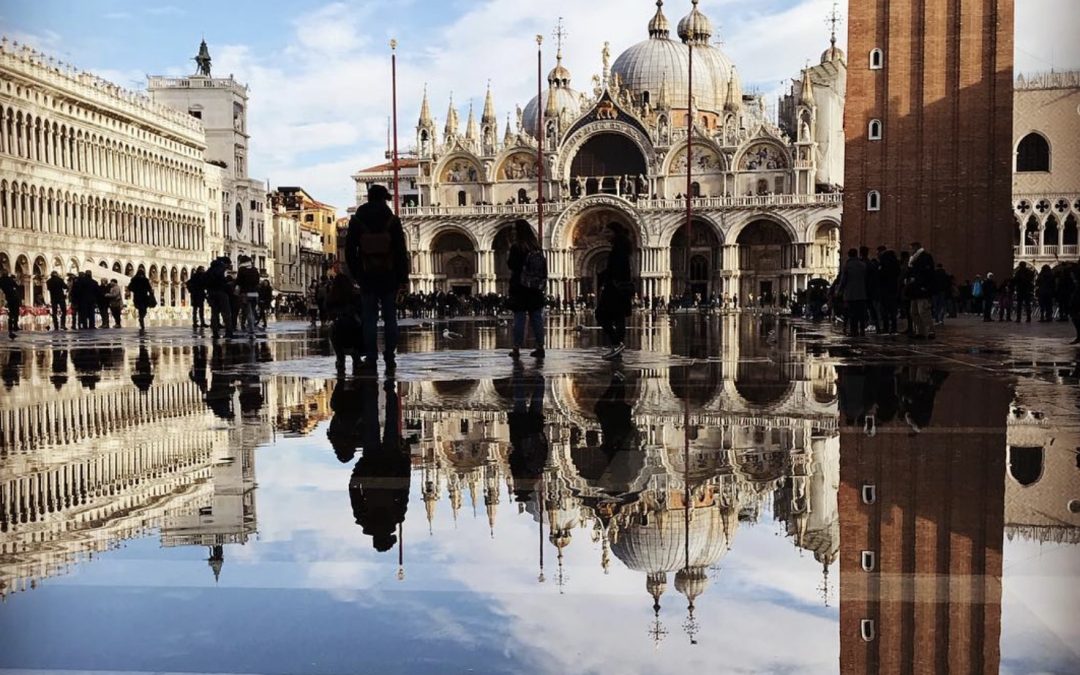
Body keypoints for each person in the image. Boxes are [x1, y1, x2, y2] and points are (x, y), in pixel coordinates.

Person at [345, 184, 410, 369]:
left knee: (369, 317)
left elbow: (350, 251)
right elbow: (400, 251)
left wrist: (356, 273)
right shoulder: (392, 220)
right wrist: (403, 278)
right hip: (389, 275)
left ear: (368, 197)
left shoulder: (357, 220)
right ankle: (389, 354)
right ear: (383, 198)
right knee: (390, 317)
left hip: (367, 275)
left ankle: (372, 356)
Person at [349, 377, 410, 552]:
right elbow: (353, 490)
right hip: (371, 467)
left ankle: (389, 389)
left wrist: (405, 463)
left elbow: (404, 489)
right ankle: (372, 388)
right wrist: (360, 469)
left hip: (390, 466)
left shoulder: (396, 518)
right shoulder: (363, 519)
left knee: (391, 423)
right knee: (371, 423)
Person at [507, 219, 547, 360]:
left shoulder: (517, 247)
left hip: (520, 287)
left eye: (514, 229)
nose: (512, 231)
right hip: (535, 287)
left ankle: (516, 347)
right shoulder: (537, 247)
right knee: (536, 317)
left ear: (519, 231)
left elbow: (512, 265)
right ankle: (540, 347)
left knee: (519, 317)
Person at [596, 223, 634, 360]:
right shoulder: (623, 247)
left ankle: (616, 344)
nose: (605, 235)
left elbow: (617, 269)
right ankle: (616, 348)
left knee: (601, 315)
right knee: (619, 318)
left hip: (615, 288)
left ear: (615, 233)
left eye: (608, 232)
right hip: (622, 288)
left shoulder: (619, 249)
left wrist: (603, 276)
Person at [903, 242, 935, 339]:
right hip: (913, 290)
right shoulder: (912, 259)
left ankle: (930, 331)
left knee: (923, 311)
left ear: (916, 248)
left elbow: (928, 273)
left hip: (922, 289)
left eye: (911, 248)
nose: (910, 251)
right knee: (914, 312)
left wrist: (924, 285)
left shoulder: (925, 257)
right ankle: (920, 331)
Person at [838, 248, 868, 337]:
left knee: (852, 314)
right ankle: (862, 330)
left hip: (850, 294)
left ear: (849, 255)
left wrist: (839, 290)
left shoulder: (847, 265)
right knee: (861, 313)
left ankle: (853, 331)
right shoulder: (863, 265)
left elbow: (843, 280)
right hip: (862, 293)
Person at [205, 257, 234, 340]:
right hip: (221, 293)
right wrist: (227, 283)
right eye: (228, 264)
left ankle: (215, 332)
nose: (228, 266)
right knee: (226, 313)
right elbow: (221, 281)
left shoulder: (210, 269)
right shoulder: (221, 269)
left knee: (214, 313)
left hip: (211, 293)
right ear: (225, 263)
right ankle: (229, 332)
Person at [235, 255, 261, 339]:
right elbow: (257, 281)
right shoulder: (255, 270)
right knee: (252, 312)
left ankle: (251, 330)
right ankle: (252, 327)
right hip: (255, 293)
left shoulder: (241, 270)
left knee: (248, 312)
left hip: (245, 293)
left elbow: (239, 281)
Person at [127, 269, 154, 334]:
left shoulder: (134, 280)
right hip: (144, 296)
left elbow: (129, 287)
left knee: (140, 309)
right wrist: (151, 294)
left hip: (137, 297)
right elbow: (149, 288)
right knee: (144, 309)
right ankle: (141, 318)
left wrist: (135, 290)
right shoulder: (145, 280)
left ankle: (141, 320)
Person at [0, 271, 21, 339]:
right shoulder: (10, 279)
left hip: (8, 298)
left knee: (11, 313)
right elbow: (17, 285)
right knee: (16, 312)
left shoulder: (1, 280)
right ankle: (15, 326)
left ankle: (11, 328)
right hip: (14, 297)